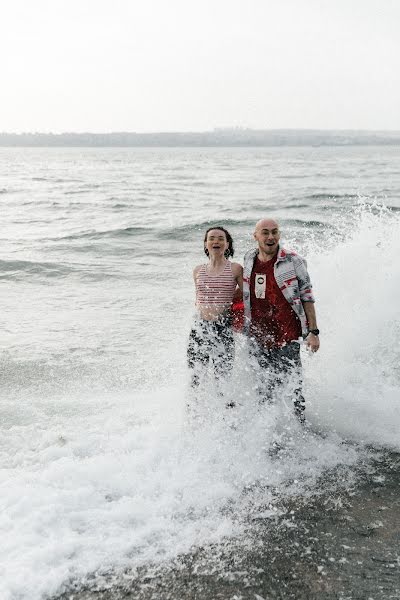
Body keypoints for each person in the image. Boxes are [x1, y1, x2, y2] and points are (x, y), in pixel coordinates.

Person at [243, 218, 319, 421]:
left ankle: (299, 429)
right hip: (258, 336)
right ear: (255, 236)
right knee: (263, 388)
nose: (271, 237)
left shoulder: (294, 261)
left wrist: (313, 332)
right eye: (265, 232)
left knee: (292, 388)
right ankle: (267, 433)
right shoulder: (249, 258)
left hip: (288, 335)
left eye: (275, 232)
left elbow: (307, 297)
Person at [187, 226, 243, 390]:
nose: (215, 241)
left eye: (220, 238)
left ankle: (224, 412)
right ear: (205, 244)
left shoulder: (235, 269)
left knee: (222, 378)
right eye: (211, 238)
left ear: (227, 244)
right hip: (199, 327)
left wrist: (230, 298)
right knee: (196, 378)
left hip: (223, 327)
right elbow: (199, 299)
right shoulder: (198, 270)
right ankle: (195, 412)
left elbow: (248, 294)